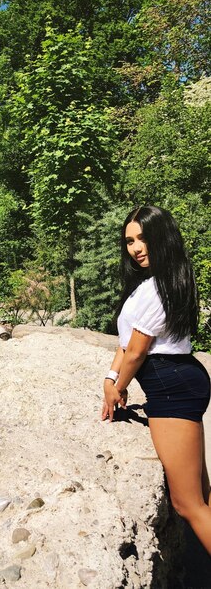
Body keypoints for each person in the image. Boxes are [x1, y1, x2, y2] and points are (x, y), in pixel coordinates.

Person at [102, 205, 211, 554]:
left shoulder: (159, 287)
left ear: (162, 237)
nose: (136, 247)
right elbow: (125, 345)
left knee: (187, 504)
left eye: (144, 238)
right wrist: (110, 377)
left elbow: (136, 352)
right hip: (176, 379)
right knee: (203, 495)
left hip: (171, 386)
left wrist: (118, 387)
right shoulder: (148, 285)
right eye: (130, 241)